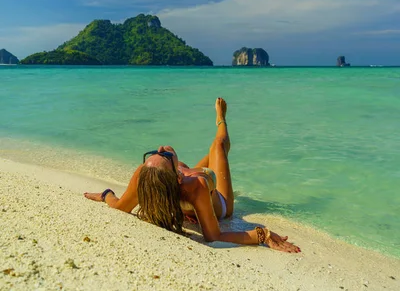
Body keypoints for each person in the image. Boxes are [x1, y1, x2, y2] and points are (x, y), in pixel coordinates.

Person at [84, 98, 300, 252]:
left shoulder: (147, 173)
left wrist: (105, 194)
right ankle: (221, 119)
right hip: (218, 202)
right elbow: (214, 236)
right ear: (177, 178)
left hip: (193, 180)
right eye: (166, 155)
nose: (161, 148)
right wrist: (263, 234)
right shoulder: (194, 186)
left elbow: (120, 205)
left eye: (156, 153)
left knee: (207, 158)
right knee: (218, 146)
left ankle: (213, 148)